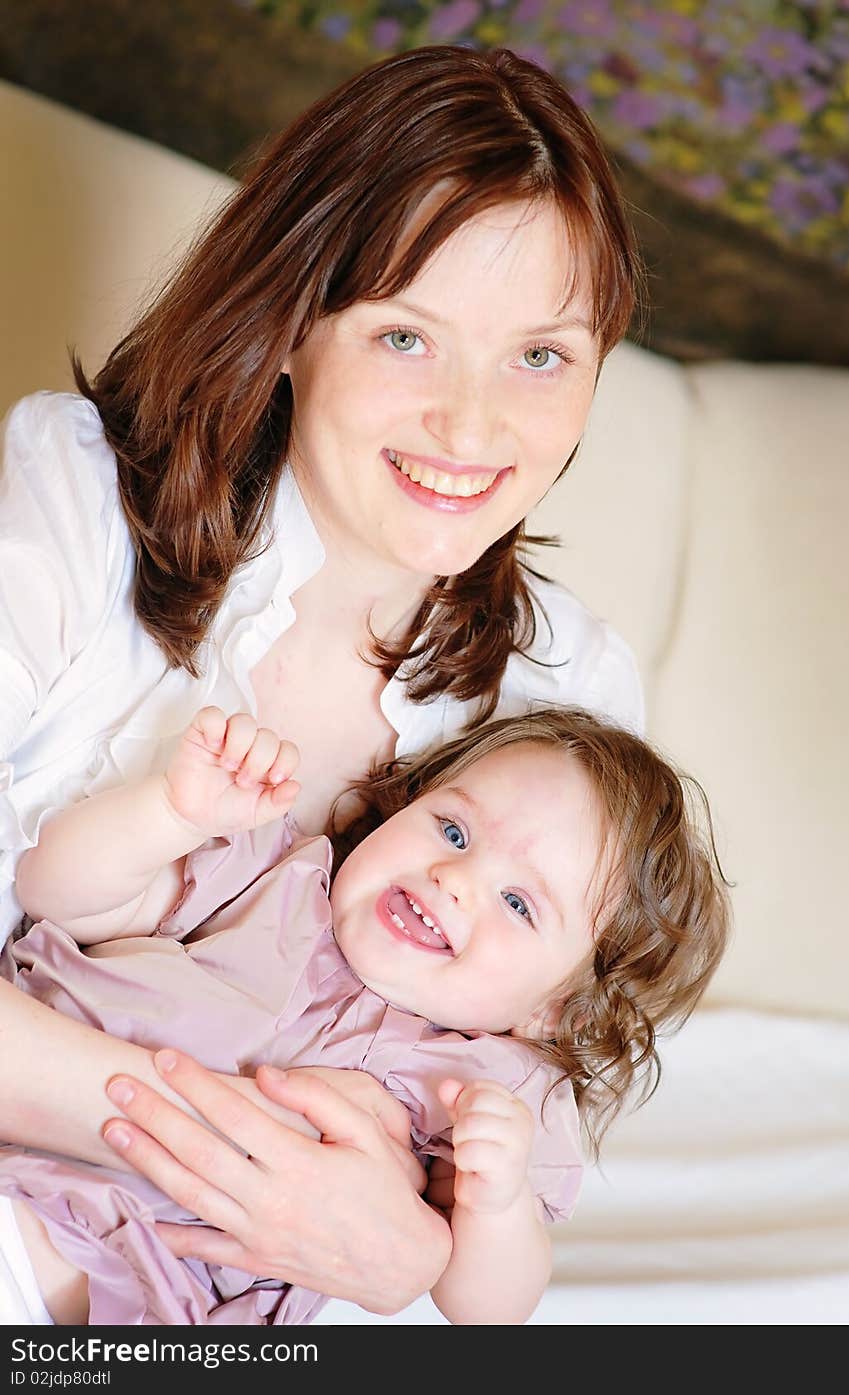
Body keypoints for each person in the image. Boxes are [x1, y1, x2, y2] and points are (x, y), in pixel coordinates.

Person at [0, 45, 646, 1310]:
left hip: (229, 1298)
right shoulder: (68, 499)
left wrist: (412, 1251)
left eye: (541, 356)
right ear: (291, 324)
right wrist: (283, 1173)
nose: (473, 430)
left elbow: (503, 1131)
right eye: (408, 336)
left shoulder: (570, 693)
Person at [2, 704, 729, 1325]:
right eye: (452, 830)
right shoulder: (273, 876)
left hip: (110, 1288)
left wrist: (497, 1202)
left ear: (554, 1008)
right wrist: (171, 812)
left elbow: (486, 1307)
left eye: (518, 903)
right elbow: (54, 890)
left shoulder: (486, 1083)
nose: (456, 879)